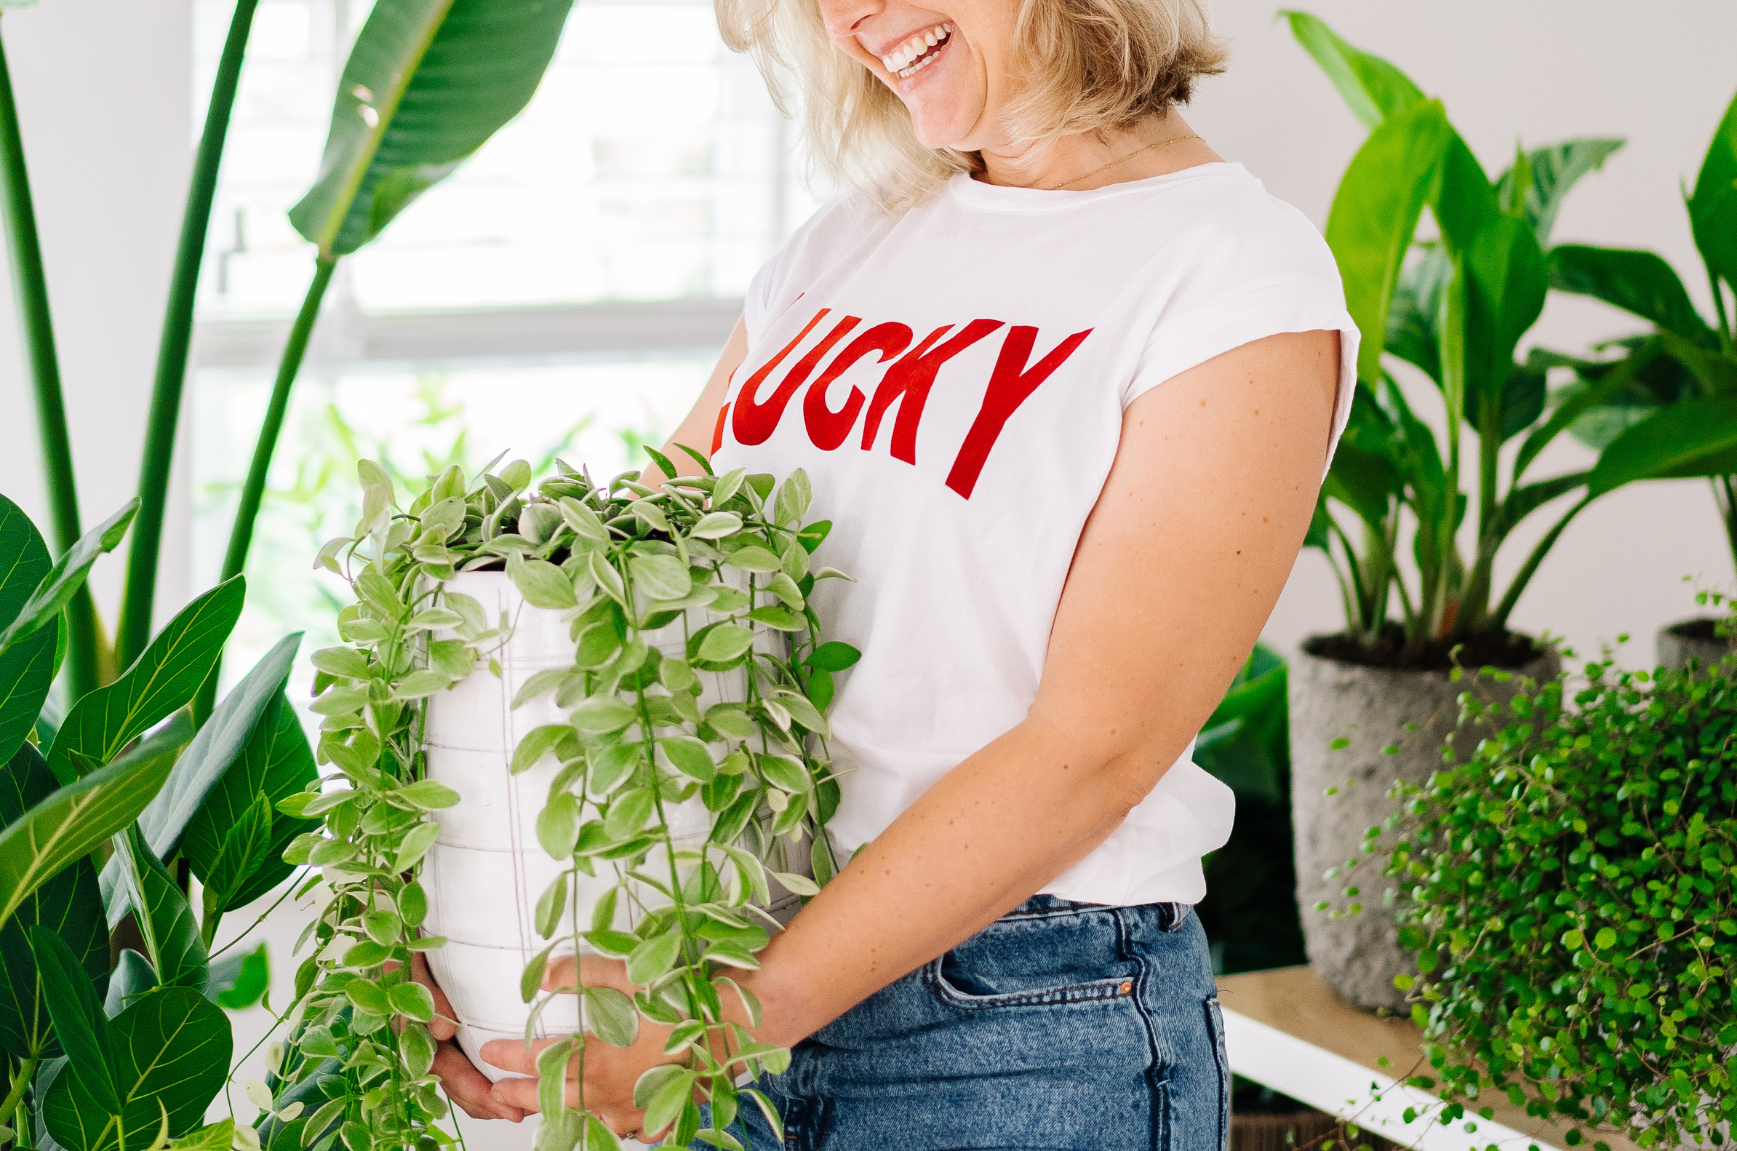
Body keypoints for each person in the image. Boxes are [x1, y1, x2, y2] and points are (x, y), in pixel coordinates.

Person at [414, 0, 1357, 1143]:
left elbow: (1096, 745)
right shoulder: (849, 239)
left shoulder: (1231, 273)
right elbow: (619, 591)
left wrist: (737, 1016)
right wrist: (451, 911)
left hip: (1018, 1021)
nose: (851, 13)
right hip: (737, 951)